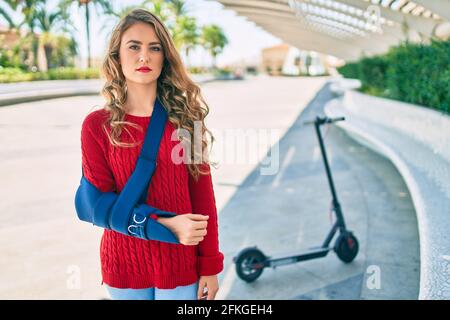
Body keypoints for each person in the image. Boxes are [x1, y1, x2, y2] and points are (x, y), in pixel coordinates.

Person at [80, 8, 223, 300]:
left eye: (154, 48)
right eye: (134, 47)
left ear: (164, 58)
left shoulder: (186, 120)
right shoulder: (97, 126)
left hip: (180, 262)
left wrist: (210, 264)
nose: (144, 57)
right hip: (123, 265)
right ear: (117, 57)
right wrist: (165, 225)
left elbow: (202, 197)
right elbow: (98, 206)